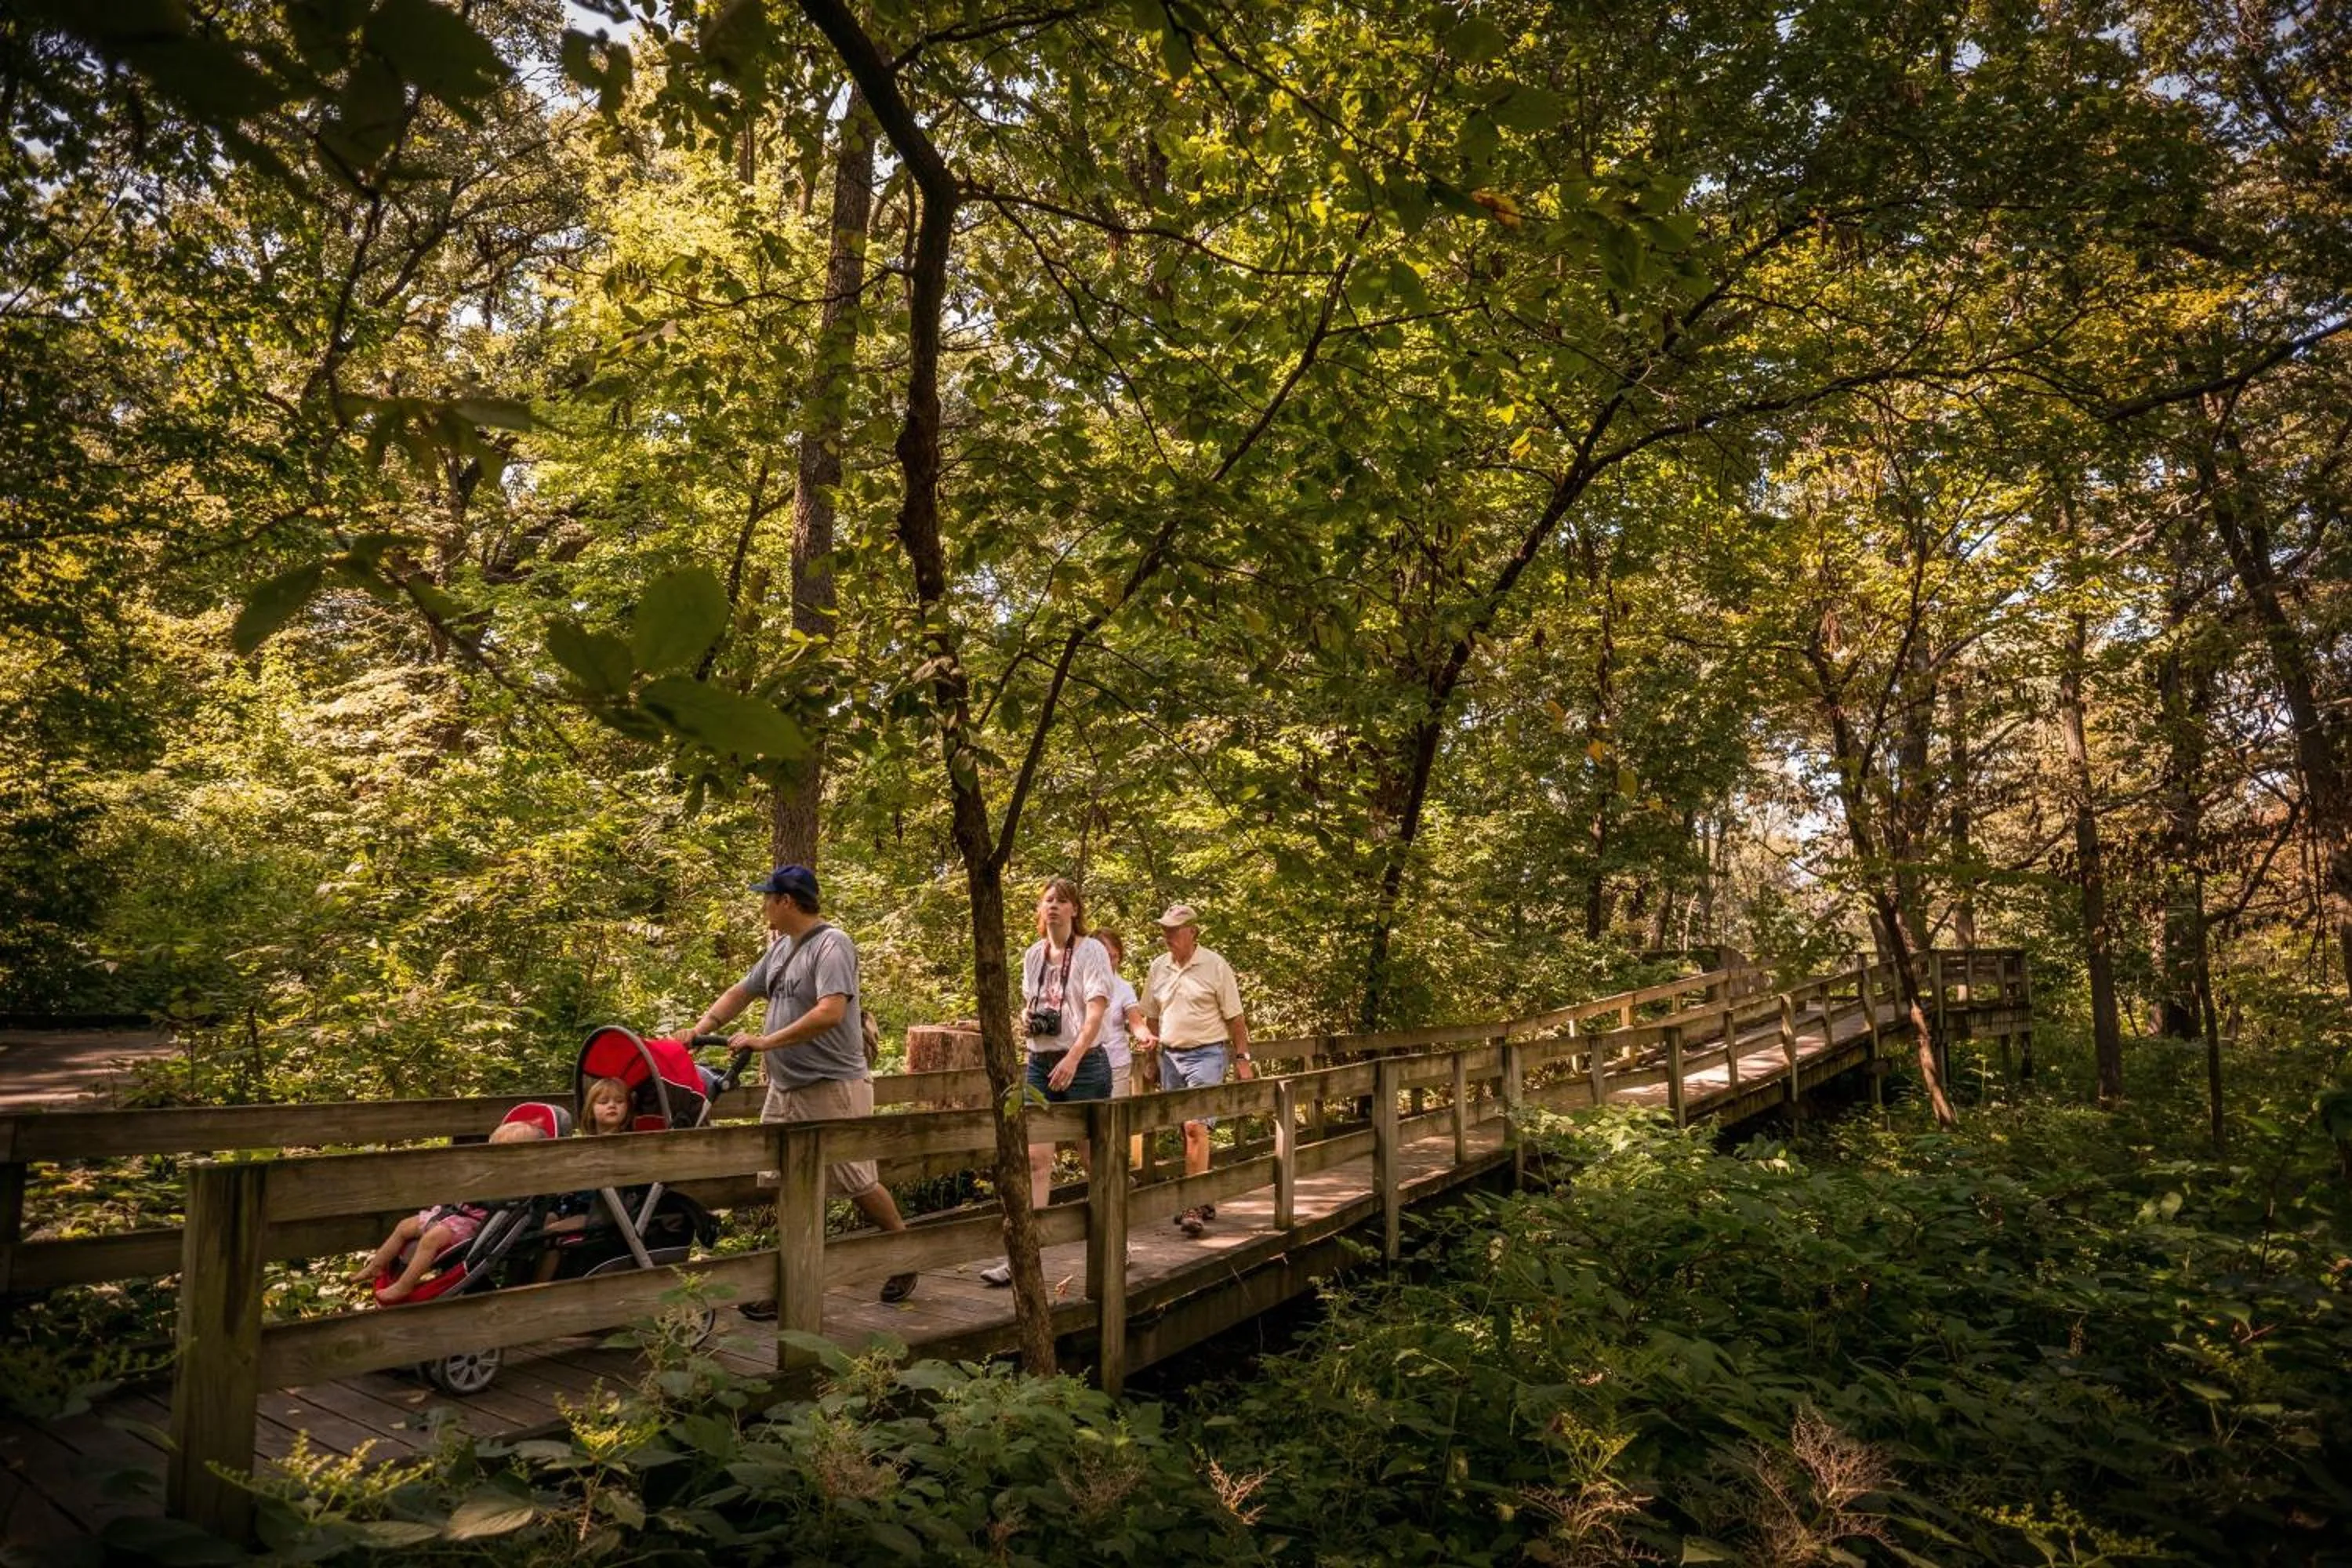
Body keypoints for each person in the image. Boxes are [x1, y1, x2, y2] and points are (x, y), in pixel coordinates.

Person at [691, 863, 916, 1311]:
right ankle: (793, 1279)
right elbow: (741, 991)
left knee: (857, 1182)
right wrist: (702, 1028)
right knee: (784, 1181)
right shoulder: (780, 951)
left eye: (767, 898)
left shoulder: (833, 946)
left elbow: (831, 1011)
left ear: (786, 902)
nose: (763, 906)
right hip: (787, 1088)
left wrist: (765, 1042)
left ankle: (905, 1253)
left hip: (832, 1086)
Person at [982, 877, 1115, 1287]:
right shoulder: (1033, 956)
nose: (1054, 906)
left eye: (1062, 900)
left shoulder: (1092, 951)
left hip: (1086, 1062)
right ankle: (1024, 1255)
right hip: (1040, 1062)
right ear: (1040, 910)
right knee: (1036, 1159)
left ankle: (1114, 1242)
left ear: (1075, 909)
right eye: (1048, 901)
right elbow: (1032, 1005)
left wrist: (1074, 1058)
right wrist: (1027, 1020)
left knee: (1094, 1159)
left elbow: (1095, 1014)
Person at [1144, 903, 1252, 1238]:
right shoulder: (1158, 967)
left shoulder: (1215, 965)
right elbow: (1150, 1015)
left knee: (1195, 1127)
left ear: (1192, 932)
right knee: (1186, 1128)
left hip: (1207, 1054)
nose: (1167, 936)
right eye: (1164, 930)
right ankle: (1204, 1195)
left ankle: (1191, 1206)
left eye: (1174, 930)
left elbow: (1235, 1018)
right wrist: (1150, 1058)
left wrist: (1243, 1059)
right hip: (1170, 1056)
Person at [355, 1118, 547, 1302]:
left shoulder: (515, 1181)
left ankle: (405, 1284)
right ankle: (377, 1266)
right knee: (404, 1226)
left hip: (472, 1223)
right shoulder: (486, 1171)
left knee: (431, 1239)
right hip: (452, 1213)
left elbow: (496, 1205)